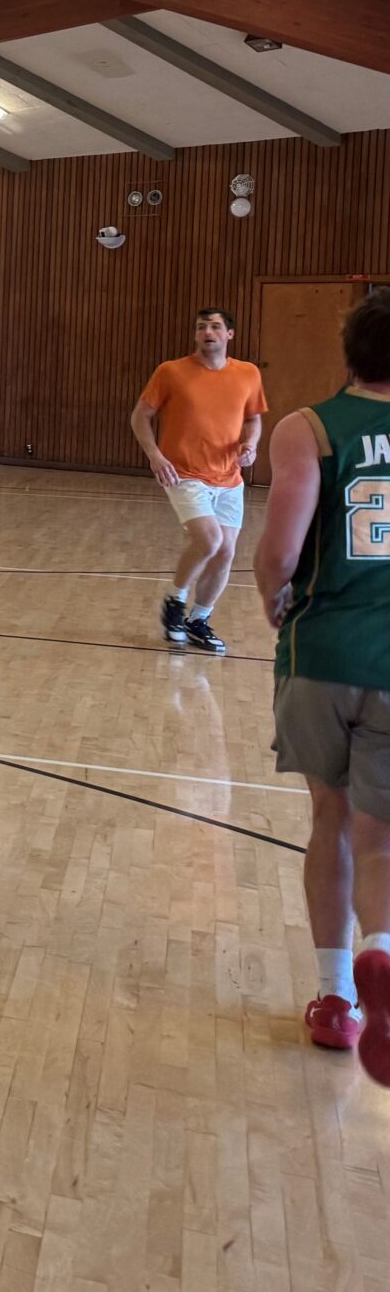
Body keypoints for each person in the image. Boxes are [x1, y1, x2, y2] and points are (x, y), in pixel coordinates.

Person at [252, 291, 390, 1066]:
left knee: (330, 825)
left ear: (349, 354)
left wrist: (274, 598)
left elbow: (278, 549)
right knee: (383, 842)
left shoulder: (307, 428)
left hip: (321, 656)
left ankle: (336, 999)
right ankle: (385, 949)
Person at [132, 306, 268, 653]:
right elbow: (140, 416)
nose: (208, 331)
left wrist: (250, 444)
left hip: (229, 476)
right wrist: (155, 455)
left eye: (215, 326)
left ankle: (199, 620)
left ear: (229, 334)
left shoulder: (248, 374)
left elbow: (253, 419)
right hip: (184, 472)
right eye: (201, 327)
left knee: (225, 552)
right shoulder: (171, 372)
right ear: (196, 335)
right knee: (209, 541)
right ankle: (175, 602)